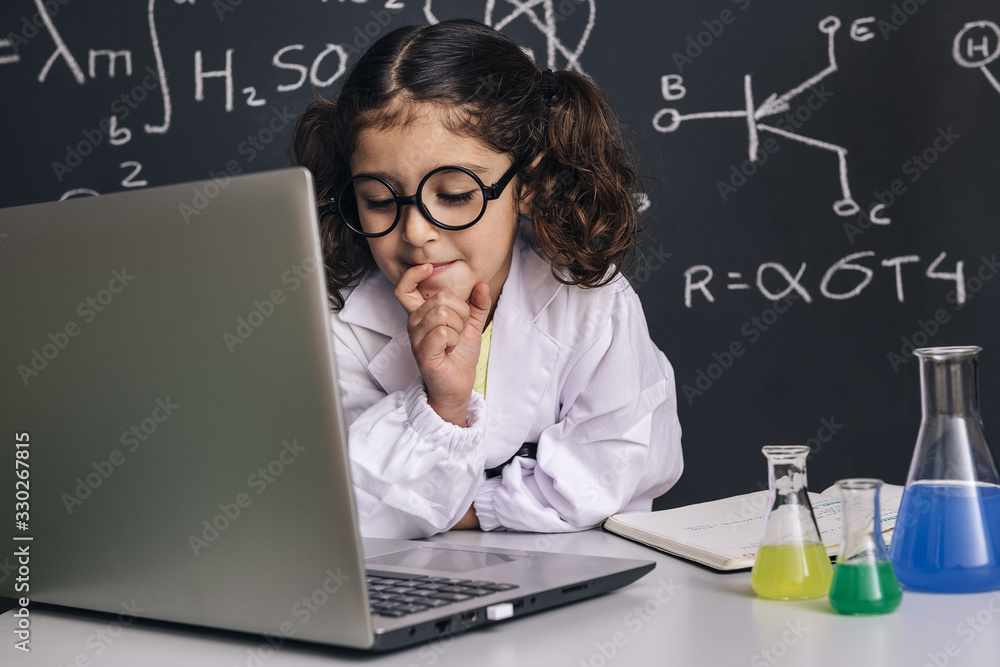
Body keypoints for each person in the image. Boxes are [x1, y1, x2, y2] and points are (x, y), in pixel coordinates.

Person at [290, 18, 682, 539]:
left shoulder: (591, 302)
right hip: (405, 586)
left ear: (529, 184)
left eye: (453, 195)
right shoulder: (338, 323)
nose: (415, 231)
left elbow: (618, 468)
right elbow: (351, 506)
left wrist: (465, 508)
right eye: (380, 201)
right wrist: (443, 404)